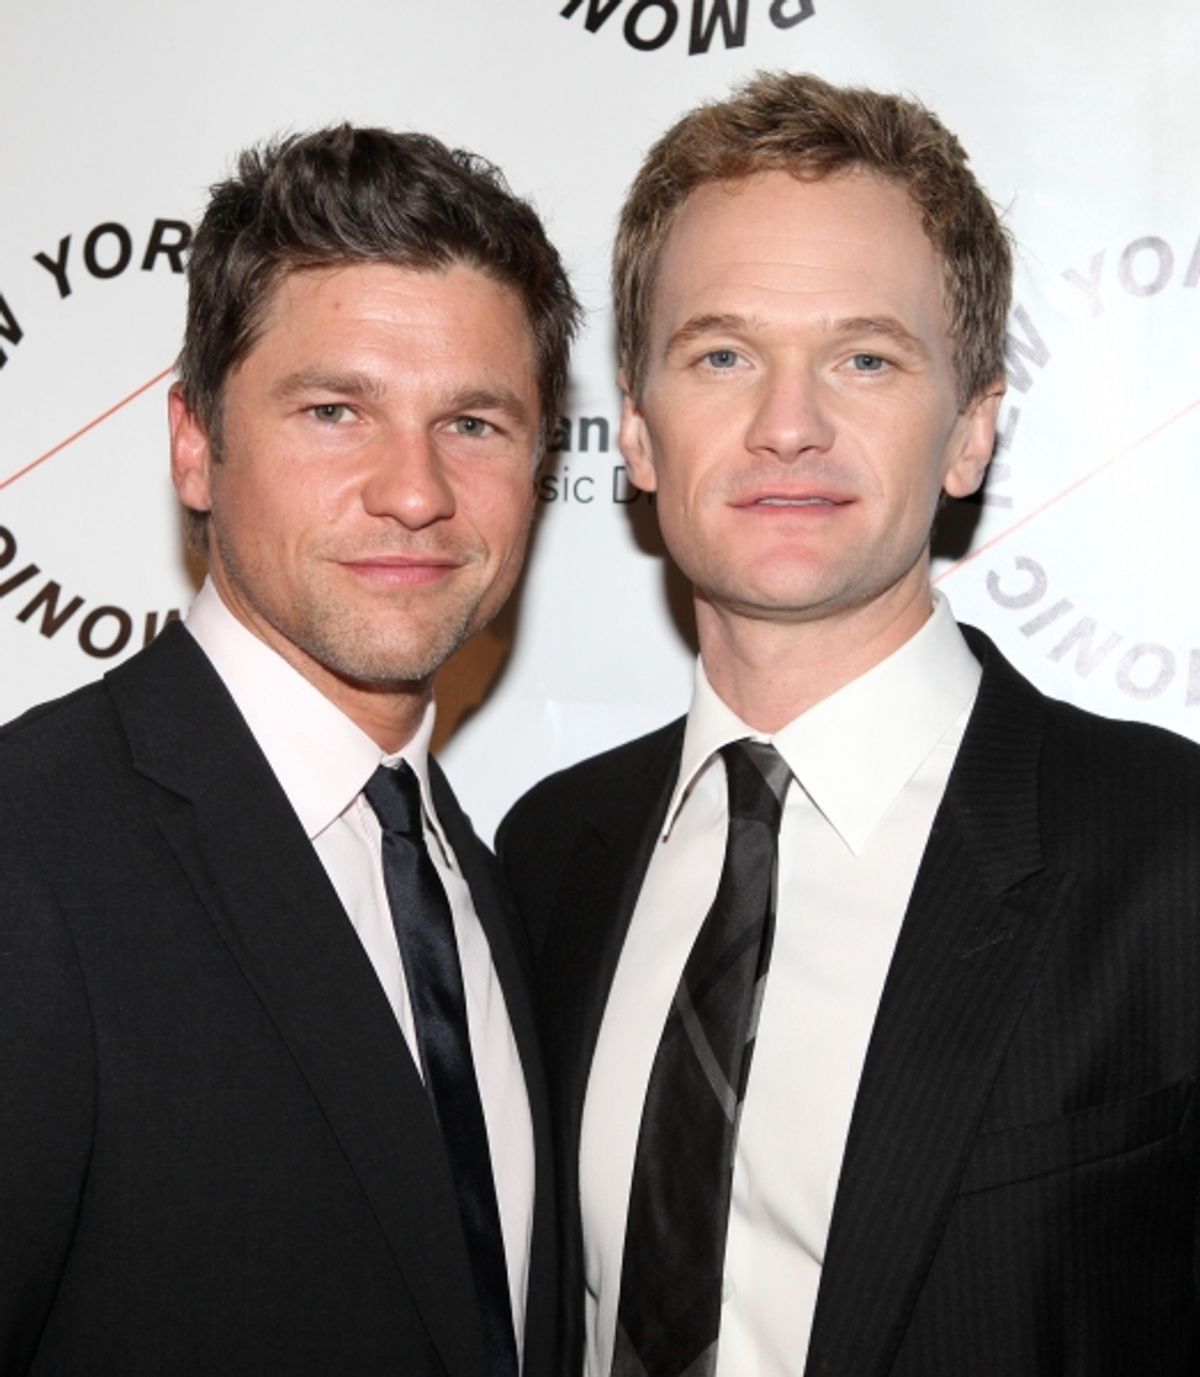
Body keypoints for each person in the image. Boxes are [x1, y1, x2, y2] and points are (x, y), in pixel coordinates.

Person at [498, 72, 1200, 1375]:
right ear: (638, 435)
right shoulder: (545, 859)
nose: (787, 424)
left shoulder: (1168, 853)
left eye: (865, 357)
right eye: (722, 355)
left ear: (973, 431)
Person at [0, 125, 579, 1377]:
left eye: (474, 423)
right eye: (334, 411)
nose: (415, 491)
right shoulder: (29, 852)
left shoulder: (483, 877)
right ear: (195, 447)